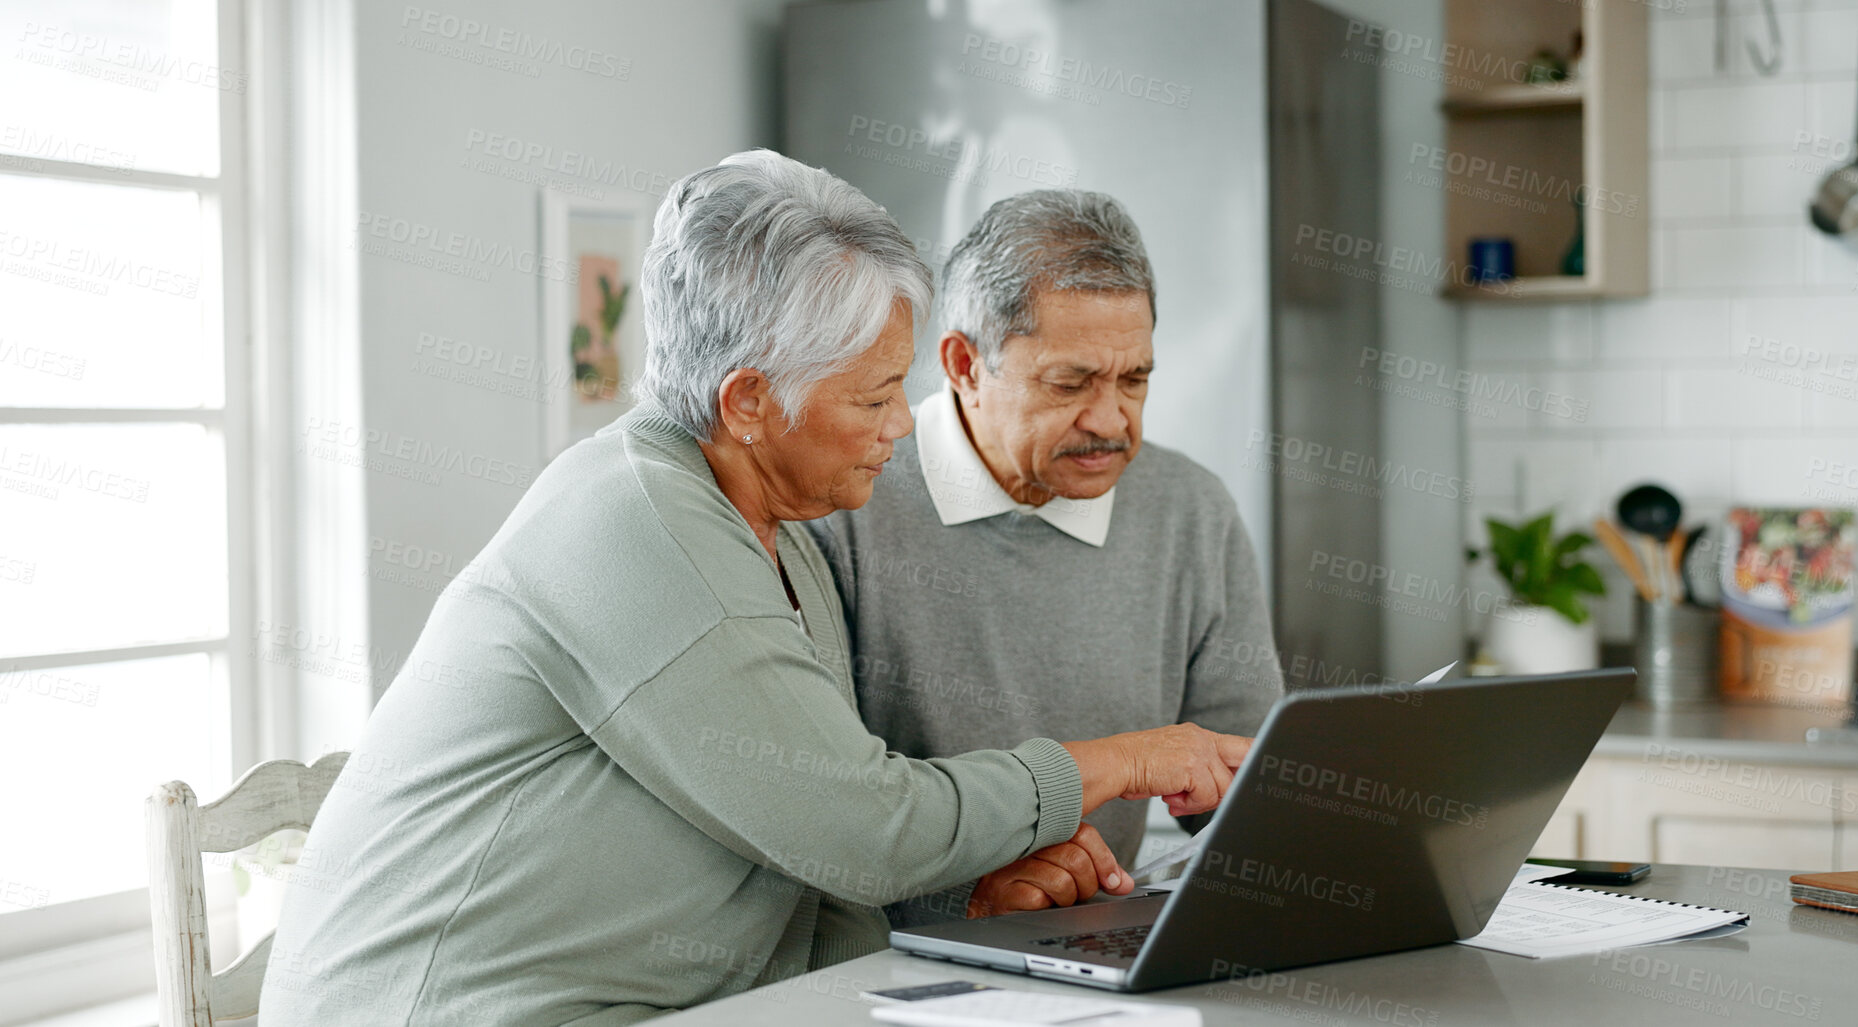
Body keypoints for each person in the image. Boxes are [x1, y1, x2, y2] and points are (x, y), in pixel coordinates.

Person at [257, 152, 1251, 1025]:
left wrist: (979, 917)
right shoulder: (634, 521)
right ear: (748, 404)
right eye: (871, 398)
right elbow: (866, 829)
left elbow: (806, 875)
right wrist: (1122, 762)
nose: (903, 427)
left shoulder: (774, 536)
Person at [810, 190, 1284, 926]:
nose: (1110, 421)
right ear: (964, 364)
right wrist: (961, 895)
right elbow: (812, 816)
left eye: (1135, 380)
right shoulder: (842, 504)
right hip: (893, 964)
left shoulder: (1190, 509)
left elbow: (1244, 797)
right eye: (1069, 383)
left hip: (1096, 942)